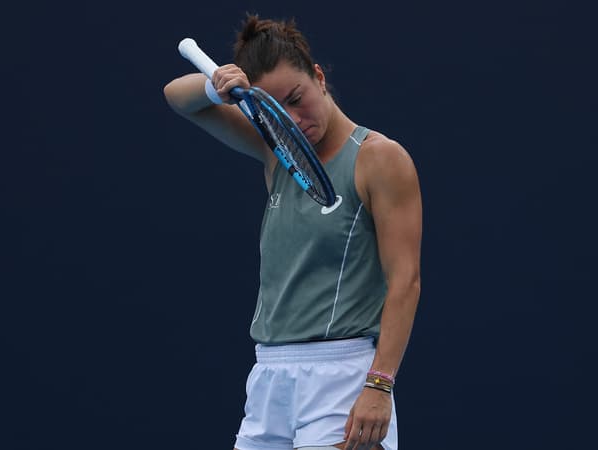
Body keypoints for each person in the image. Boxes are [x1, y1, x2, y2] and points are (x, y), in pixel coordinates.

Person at [164, 13, 422, 450]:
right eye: (275, 109)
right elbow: (176, 96)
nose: (293, 118)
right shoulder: (275, 149)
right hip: (269, 377)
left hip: (342, 380)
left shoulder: (381, 159)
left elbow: (405, 281)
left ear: (319, 77)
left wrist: (379, 384)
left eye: (297, 98)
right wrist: (216, 86)